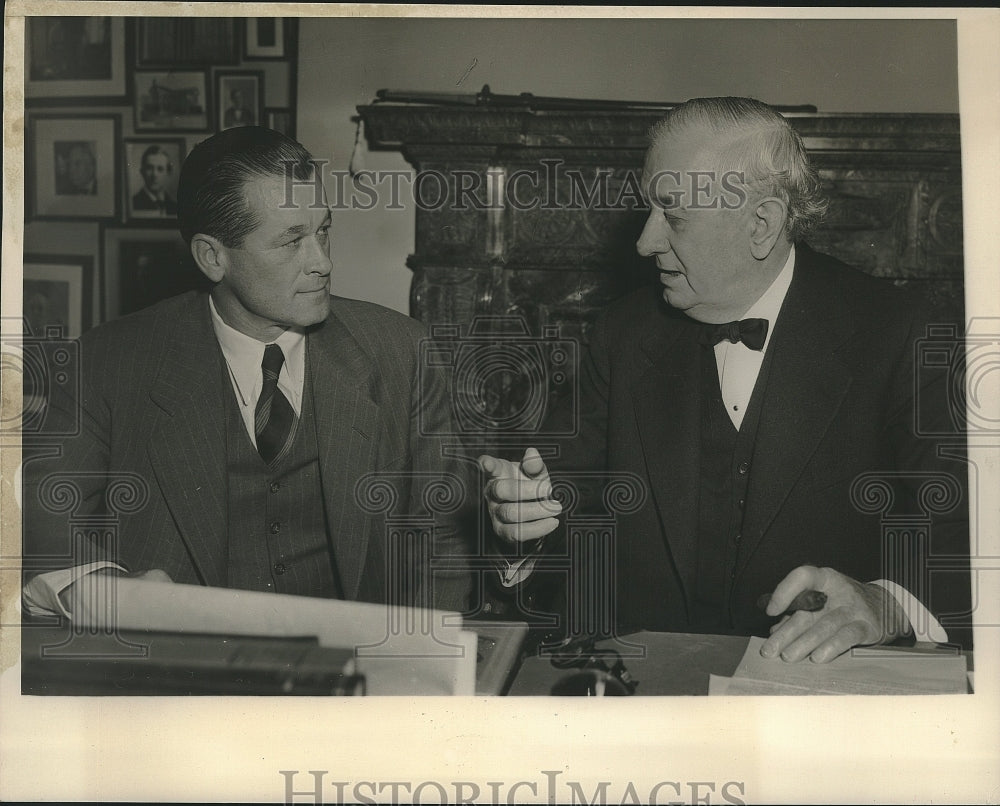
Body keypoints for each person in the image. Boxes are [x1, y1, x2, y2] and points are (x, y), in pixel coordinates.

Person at [480, 97, 971, 661]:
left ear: (761, 223)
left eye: (675, 216)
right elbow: (564, 511)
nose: (645, 242)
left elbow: (963, 539)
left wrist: (885, 604)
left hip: (817, 698)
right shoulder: (622, 334)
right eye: (649, 211)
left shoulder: (902, 333)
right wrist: (522, 526)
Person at [22, 126, 474, 620]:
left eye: (323, 229)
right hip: (183, 683)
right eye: (290, 241)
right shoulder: (107, 363)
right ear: (213, 257)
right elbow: (40, 525)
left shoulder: (402, 352)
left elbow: (442, 547)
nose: (322, 262)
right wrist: (107, 594)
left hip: (350, 681)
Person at [131, 144, 178, 215]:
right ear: (142, 171)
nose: (154, 175)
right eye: (149, 168)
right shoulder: (133, 204)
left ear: (168, 173)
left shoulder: (176, 207)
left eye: (160, 169)